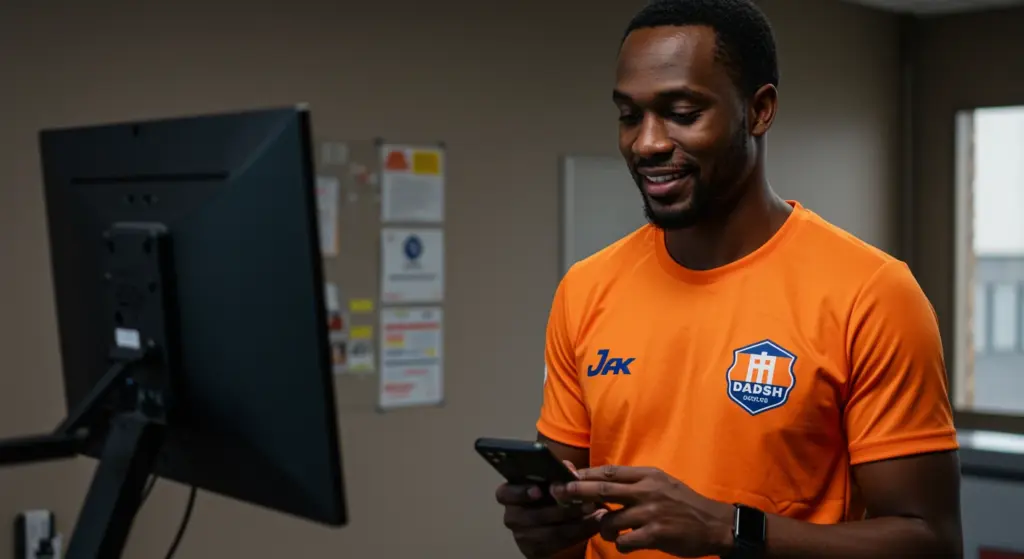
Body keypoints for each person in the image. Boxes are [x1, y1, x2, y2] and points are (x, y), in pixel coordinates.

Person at [493, 0, 963, 558]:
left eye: (683, 113)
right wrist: (543, 532)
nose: (647, 143)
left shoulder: (872, 293)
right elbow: (568, 533)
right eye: (629, 115)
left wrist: (731, 529)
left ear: (759, 110)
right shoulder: (586, 288)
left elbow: (929, 541)